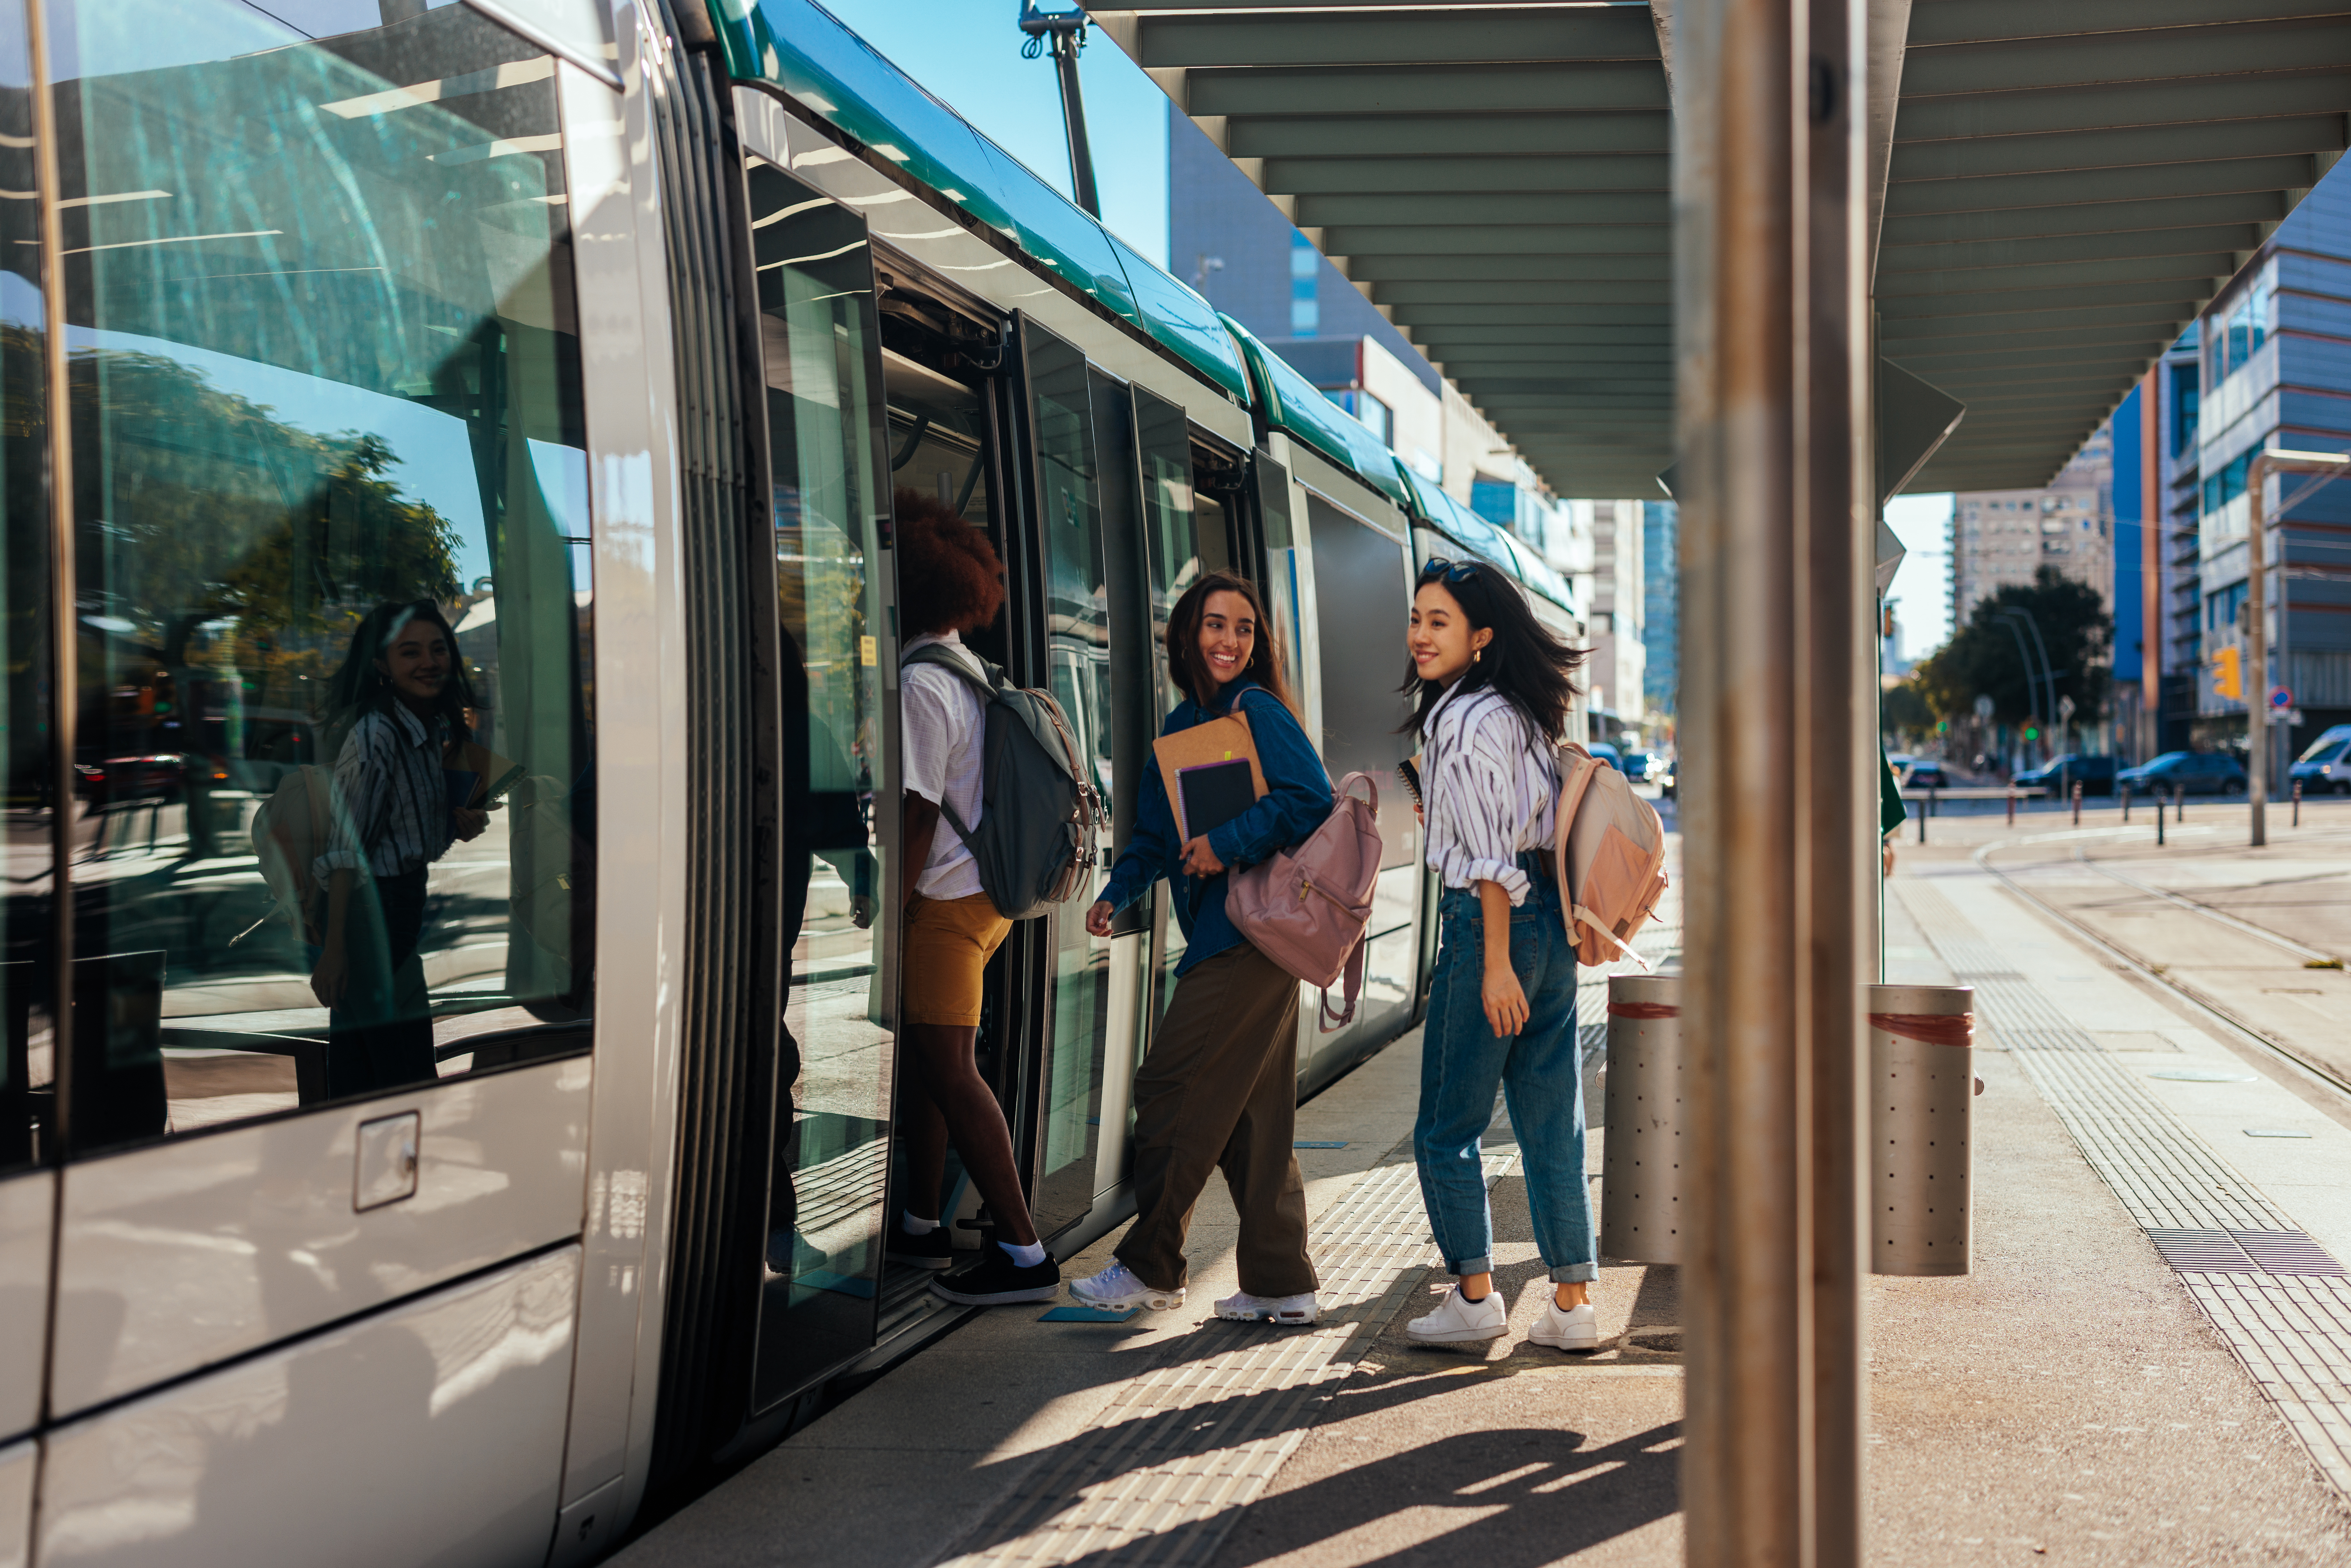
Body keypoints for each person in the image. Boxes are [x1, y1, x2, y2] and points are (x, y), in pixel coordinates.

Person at [1067, 570, 1334, 1325]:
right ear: (1187, 634)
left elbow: (1310, 800)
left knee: (1169, 1093)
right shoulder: (1183, 725)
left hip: (1249, 936)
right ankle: (1282, 1285)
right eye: (1216, 625)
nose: (1229, 640)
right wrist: (1118, 894)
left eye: (1244, 628)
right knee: (1254, 1118)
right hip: (1232, 933)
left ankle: (1150, 1267)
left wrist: (1225, 841)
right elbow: (1153, 835)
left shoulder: (1259, 710)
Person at [1400, 558, 1598, 1351]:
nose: (1419, 634)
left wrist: (1491, 963)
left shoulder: (1458, 719)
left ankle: (1476, 1297)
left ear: (1481, 638)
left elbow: (1487, 859)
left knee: (1447, 1126)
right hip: (1550, 924)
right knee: (1554, 1125)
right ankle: (1574, 1307)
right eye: (1417, 618)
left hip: (1496, 927)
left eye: (1439, 621)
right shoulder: (1518, 715)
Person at [890, 491, 1061, 1307]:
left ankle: (1023, 1251)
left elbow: (918, 807)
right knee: (930, 1062)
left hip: (945, 905)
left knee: (953, 1071)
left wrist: (889, 910)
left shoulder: (922, 683)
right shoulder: (967, 667)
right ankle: (922, 1220)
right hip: (981, 901)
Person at [311, 600, 488, 1099]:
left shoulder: (428, 731)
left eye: (437, 649)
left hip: (402, 905)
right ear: (381, 669)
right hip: (372, 912)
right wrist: (336, 950)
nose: (429, 662)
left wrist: (461, 826)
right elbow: (347, 849)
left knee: (369, 1066)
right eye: (410, 653)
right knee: (399, 1072)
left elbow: (408, 839)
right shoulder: (378, 735)